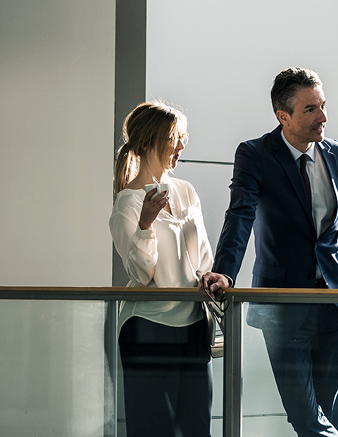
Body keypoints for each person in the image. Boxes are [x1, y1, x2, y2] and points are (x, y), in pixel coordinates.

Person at [199, 67, 338, 437]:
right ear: (283, 116)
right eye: (310, 109)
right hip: (283, 303)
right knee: (305, 416)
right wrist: (225, 271)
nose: (323, 117)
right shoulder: (256, 154)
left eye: (323, 106)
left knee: (327, 412)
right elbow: (240, 214)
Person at [109, 101, 215, 437]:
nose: (182, 146)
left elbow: (204, 259)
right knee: (153, 430)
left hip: (195, 326)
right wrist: (145, 226)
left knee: (197, 428)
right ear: (149, 142)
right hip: (148, 329)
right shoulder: (128, 202)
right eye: (174, 138)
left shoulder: (187, 191)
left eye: (183, 137)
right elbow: (140, 276)